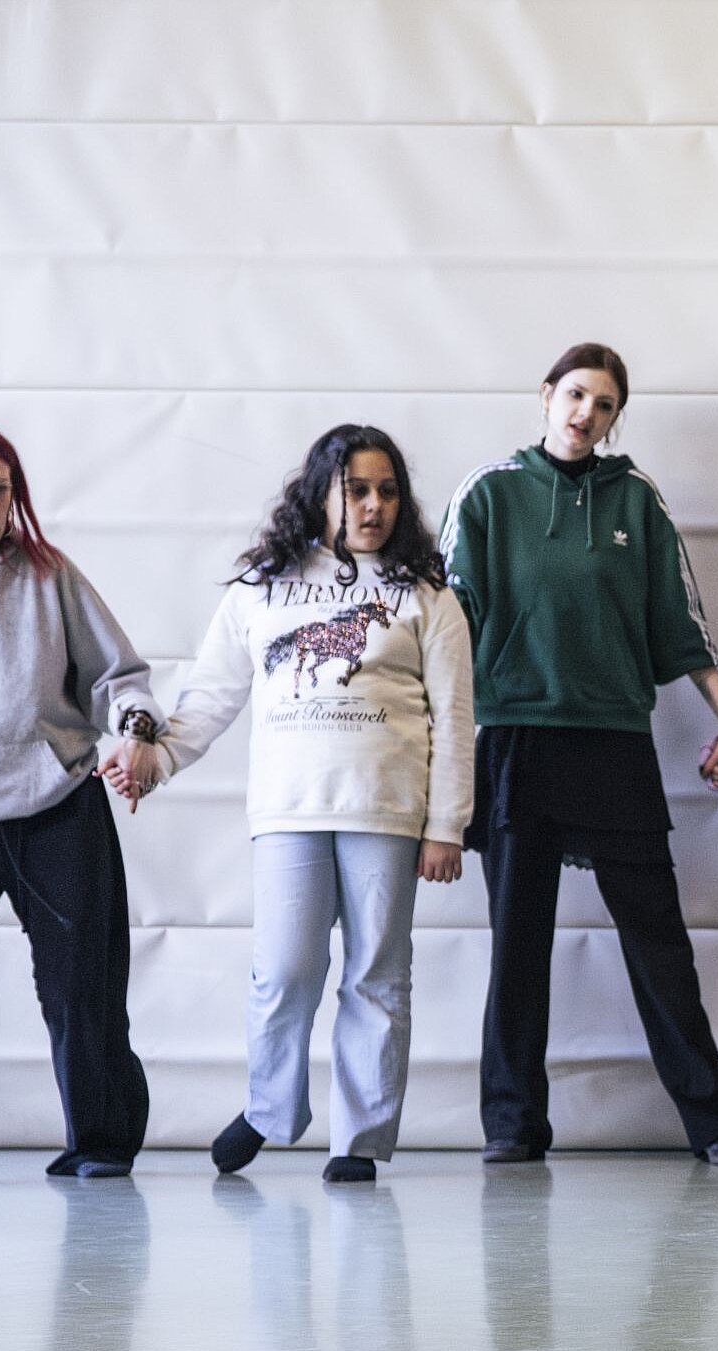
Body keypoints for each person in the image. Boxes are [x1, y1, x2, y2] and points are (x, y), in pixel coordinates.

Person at [444, 342, 718, 1166]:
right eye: (576, 394)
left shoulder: (637, 500)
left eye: (605, 403)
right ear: (546, 395)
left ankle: (716, 1122)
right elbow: (445, 628)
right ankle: (512, 1122)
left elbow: (677, 623)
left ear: (616, 417)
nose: (587, 413)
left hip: (614, 741)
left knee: (659, 943)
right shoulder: (488, 493)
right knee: (518, 943)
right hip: (516, 738)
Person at [146, 425, 475, 1183]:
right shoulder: (263, 585)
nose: (373, 505)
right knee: (285, 969)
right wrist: (157, 757)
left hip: (387, 813)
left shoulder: (427, 597)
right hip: (289, 811)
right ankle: (270, 1110)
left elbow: (457, 720)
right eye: (356, 488)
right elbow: (209, 696)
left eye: (387, 490)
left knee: (376, 976)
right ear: (321, 492)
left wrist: (446, 825)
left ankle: (359, 1138)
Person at [0, 415, 161, 1183]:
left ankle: (101, 1145)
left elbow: (123, 678)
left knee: (85, 984)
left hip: (56, 806)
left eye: (2, 489)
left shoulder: (47, 572)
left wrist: (136, 733)